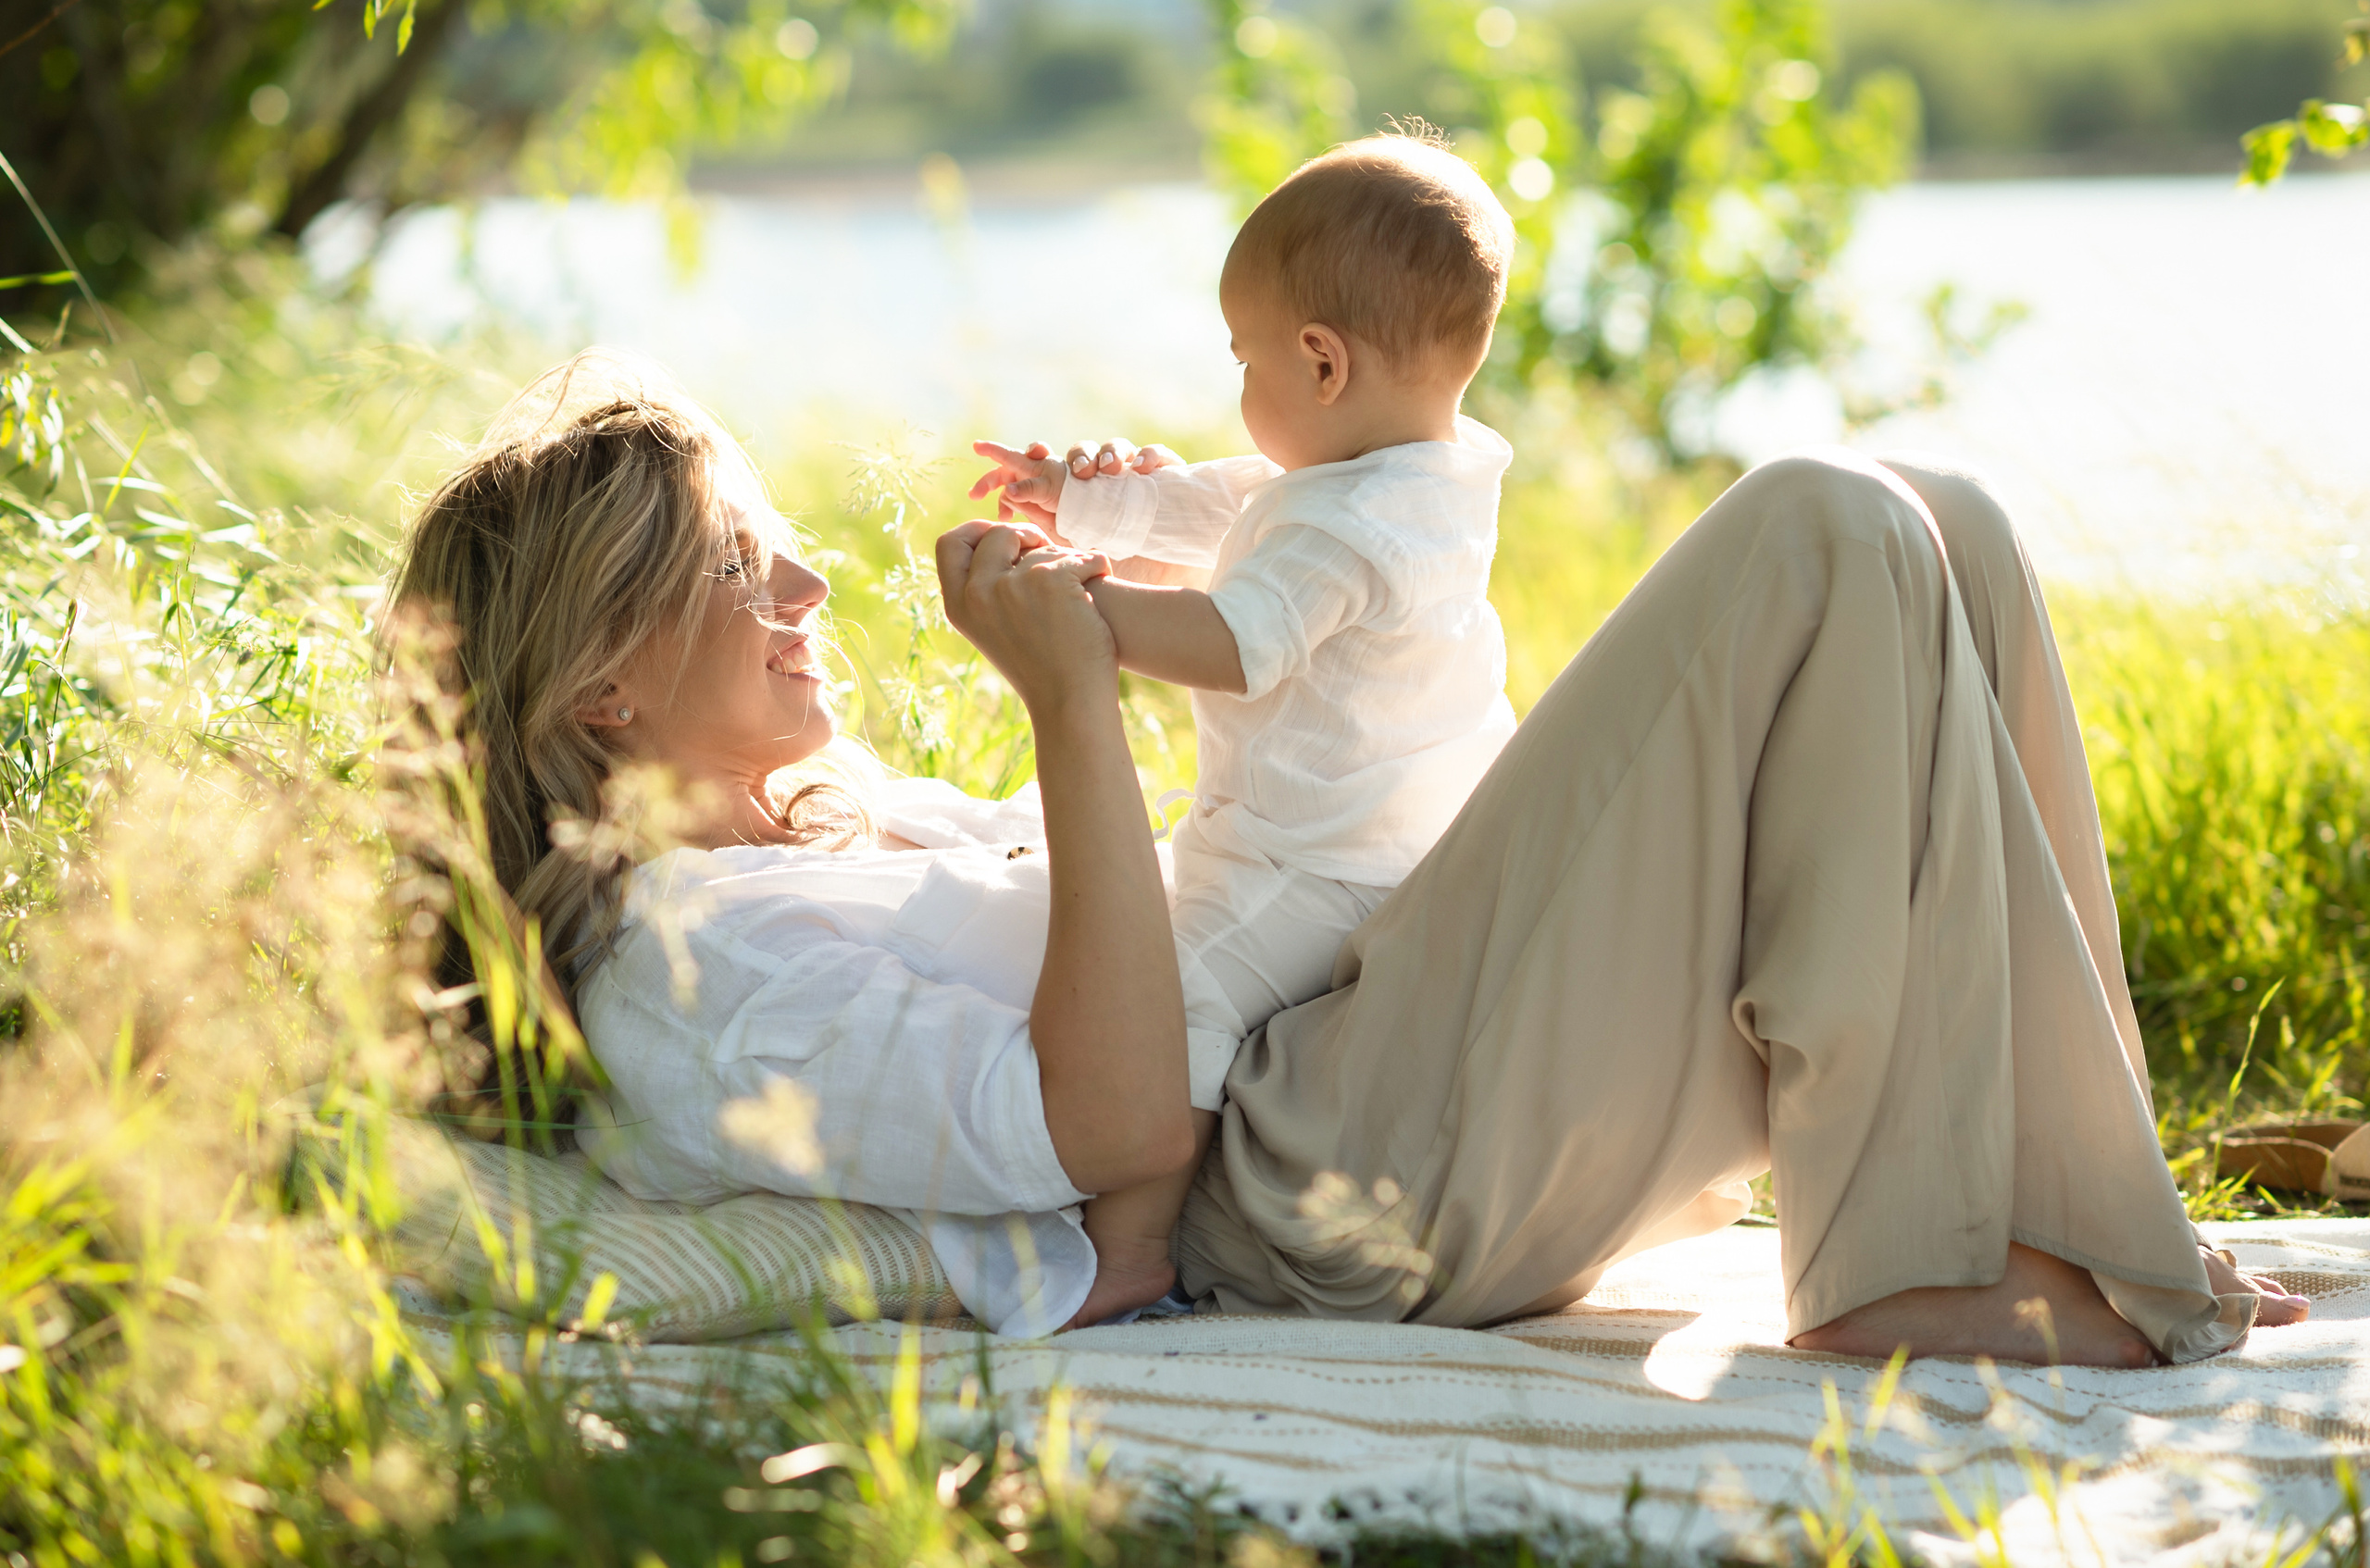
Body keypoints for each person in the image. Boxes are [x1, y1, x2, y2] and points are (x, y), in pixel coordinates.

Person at [390, 342, 2309, 1364]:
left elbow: (1168, 950)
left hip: (1364, 1057)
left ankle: (2079, 1208)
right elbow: (1118, 1146)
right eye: (740, 571)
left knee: (1936, 520)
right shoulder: (689, 977)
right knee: (1814, 528)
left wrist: (1188, 590)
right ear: (603, 691)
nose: (809, 585)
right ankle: (1892, 1271)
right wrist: (1070, 710)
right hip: (1328, 1186)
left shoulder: (835, 822)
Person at [967, 132, 1524, 1324]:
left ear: (1321, 364)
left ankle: (1129, 1249)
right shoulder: (1410, 468)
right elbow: (1236, 497)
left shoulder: (1350, 530)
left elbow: (1234, 639)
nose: (1240, 385)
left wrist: (1082, 611)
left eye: (1245, 358)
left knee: (1174, 1004)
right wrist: (1093, 500)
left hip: (1323, 863)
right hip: (1378, 826)